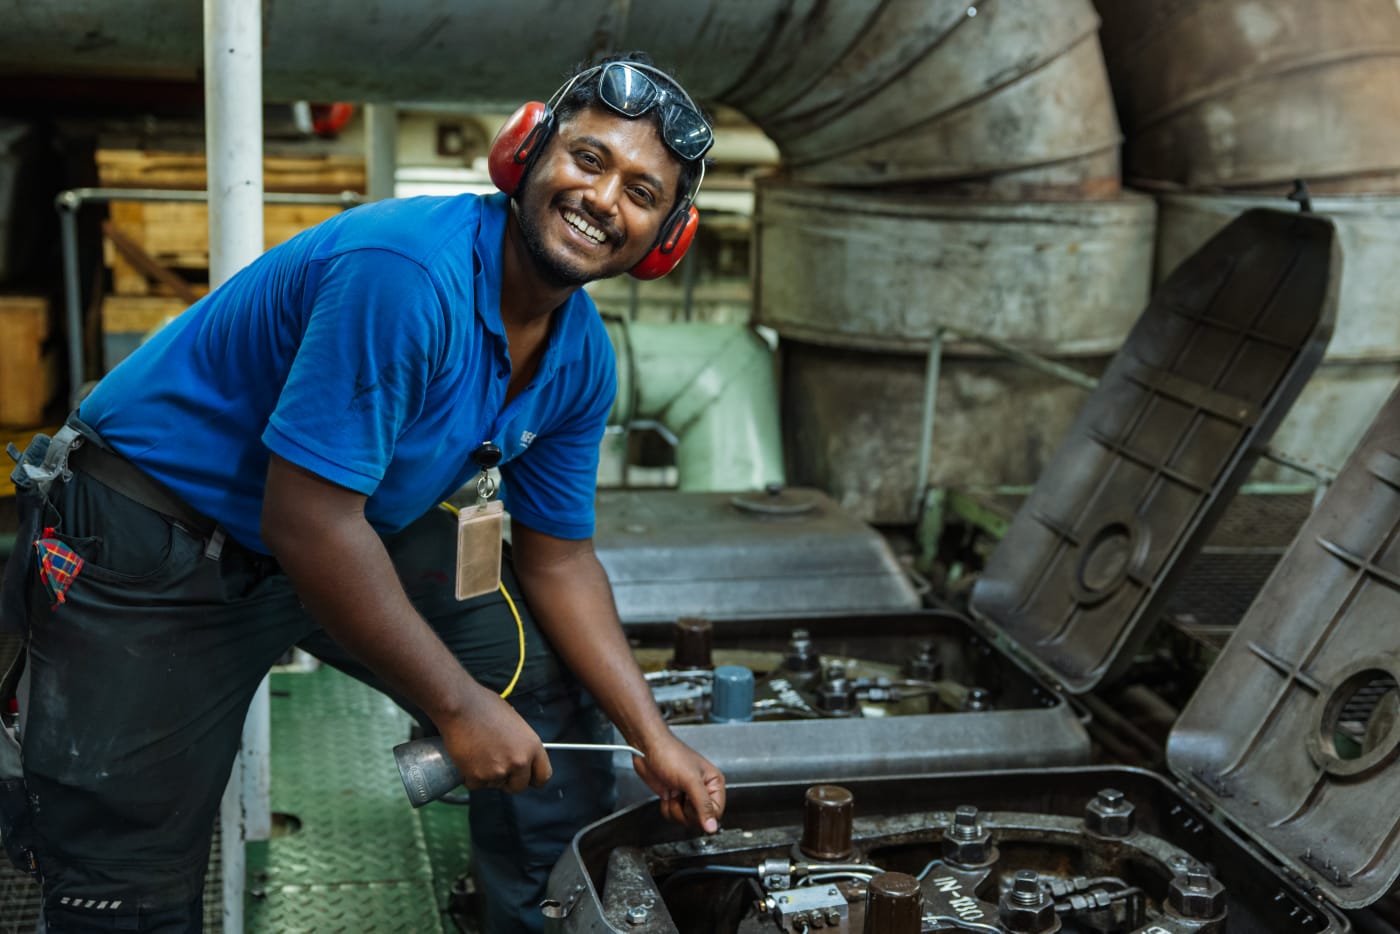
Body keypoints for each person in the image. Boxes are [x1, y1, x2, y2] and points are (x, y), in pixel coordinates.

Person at [0, 51, 726, 933]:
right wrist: (458, 710)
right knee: (128, 877)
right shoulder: (405, 273)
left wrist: (654, 741)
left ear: (666, 239)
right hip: (153, 540)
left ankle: (537, 913)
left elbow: (561, 560)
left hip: (325, 536)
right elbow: (306, 520)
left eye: (643, 193)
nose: (605, 200)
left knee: (532, 675)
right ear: (525, 155)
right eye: (588, 159)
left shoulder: (581, 356)